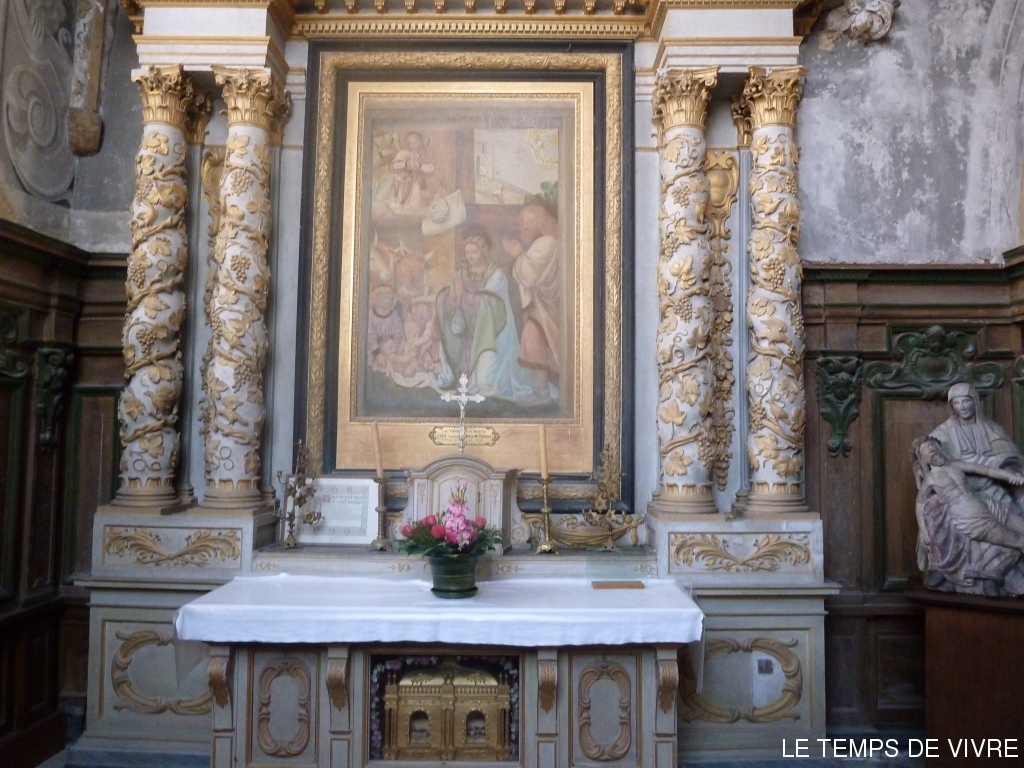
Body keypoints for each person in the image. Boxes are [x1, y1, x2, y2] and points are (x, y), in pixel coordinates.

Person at [913, 436, 1024, 596]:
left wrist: (1009, 476)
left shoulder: (954, 465)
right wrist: (923, 530)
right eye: (925, 449)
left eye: (932, 445)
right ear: (922, 459)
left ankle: (992, 575)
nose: (931, 449)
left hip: (988, 505)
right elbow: (920, 503)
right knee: (1020, 542)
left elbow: (986, 470)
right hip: (972, 520)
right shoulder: (931, 479)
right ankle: (989, 574)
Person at [436, 230, 530, 403]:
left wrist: (462, 296)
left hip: (493, 333)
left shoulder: (496, 275)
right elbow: (448, 305)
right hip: (468, 331)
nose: (470, 256)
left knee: (485, 381)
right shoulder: (461, 274)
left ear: (484, 250)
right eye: (467, 252)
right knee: (463, 374)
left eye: (474, 251)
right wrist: (452, 298)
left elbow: (490, 305)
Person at [504, 203, 560, 405]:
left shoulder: (546, 243)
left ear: (542, 223)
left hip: (547, 308)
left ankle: (543, 394)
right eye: (522, 222)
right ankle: (543, 392)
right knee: (539, 343)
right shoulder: (541, 244)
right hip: (542, 306)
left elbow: (530, 275)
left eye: (530, 222)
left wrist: (519, 254)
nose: (524, 226)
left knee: (532, 338)